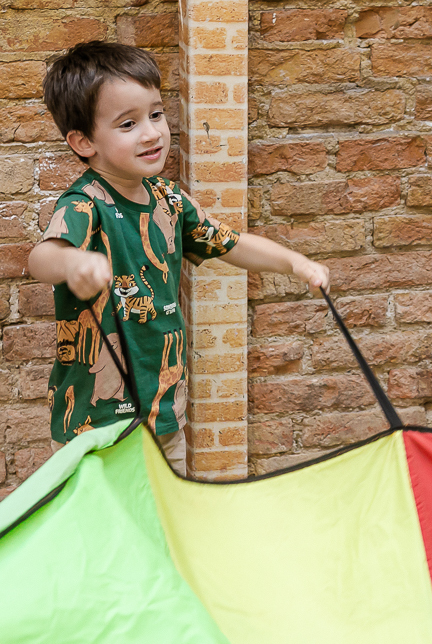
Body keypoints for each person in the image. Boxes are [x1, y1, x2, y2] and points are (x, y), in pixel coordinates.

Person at [29, 41, 329, 476]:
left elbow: (232, 242)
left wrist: (295, 263)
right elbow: (43, 257)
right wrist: (73, 264)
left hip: (165, 414)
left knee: (165, 527)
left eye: (155, 114)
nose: (152, 133)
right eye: (128, 123)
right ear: (84, 141)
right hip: (94, 427)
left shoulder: (169, 200)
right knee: (105, 538)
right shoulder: (84, 204)